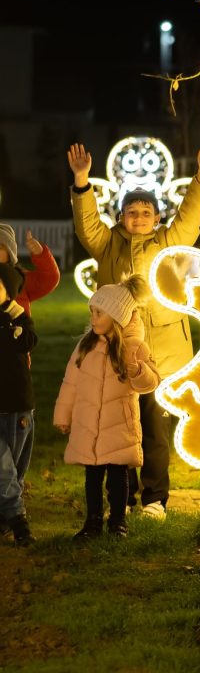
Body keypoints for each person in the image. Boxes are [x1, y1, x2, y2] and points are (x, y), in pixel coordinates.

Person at [67, 138, 200, 519]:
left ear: (157, 217)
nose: (139, 217)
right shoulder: (107, 246)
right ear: (120, 217)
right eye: (131, 211)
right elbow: (87, 224)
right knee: (119, 429)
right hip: (119, 354)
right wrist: (82, 182)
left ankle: (155, 498)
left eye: (146, 211)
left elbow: (189, 217)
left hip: (161, 358)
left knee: (154, 430)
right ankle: (125, 495)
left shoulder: (169, 242)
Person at [54, 275, 161, 539]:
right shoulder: (85, 345)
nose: (93, 318)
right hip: (89, 423)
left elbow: (151, 381)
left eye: (99, 312)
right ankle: (92, 523)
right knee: (92, 477)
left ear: (116, 315)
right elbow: (71, 382)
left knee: (117, 476)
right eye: (92, 311)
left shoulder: (134, 346)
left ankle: (117, 522)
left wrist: (137, 370)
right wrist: (63, 414)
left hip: (118, 425)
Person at [0, 224, 59, 539]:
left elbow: (49, 279)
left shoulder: (20, 282)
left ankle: (9, 513)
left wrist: (39, 253)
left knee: (15, 453)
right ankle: (14, 514)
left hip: (16, 368)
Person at [0, 262, 38, 547]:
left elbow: (29, 340)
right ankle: (18, 520)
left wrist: (14, 325)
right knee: (3, 467)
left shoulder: (16, 315)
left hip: (17, 404)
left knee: (14, 468)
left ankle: (6, 519)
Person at [0, 223, 60, 317]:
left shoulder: (18, 279)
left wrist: (40, 254)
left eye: (0, 247)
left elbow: (49, 279)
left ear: (10, 253)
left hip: (19, 330)